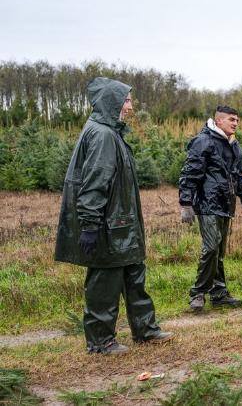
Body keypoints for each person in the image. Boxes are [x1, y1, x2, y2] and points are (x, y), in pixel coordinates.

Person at [55, 77, 172, 355]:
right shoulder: (103, 135)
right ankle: (100, 341)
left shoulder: (111, 131)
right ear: (113, 102)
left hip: (123, 224)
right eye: (127, 100)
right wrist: (90, 225)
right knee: (105, 281)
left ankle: (145, 329)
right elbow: (95, 182)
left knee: (134, 275)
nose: (130, 106)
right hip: (109, 226)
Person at [179, 105, 242, 311]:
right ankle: (198, 292)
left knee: (219, 251)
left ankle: (219, 293)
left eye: (237, 120)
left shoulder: (234, 145)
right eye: (232, 119)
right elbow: (190, 173)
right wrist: (186, 204)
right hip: (207, 203)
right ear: (218, 120)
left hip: (225, 204)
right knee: (211, 248)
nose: (235, 123)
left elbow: (239, 176)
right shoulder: (203, 141)